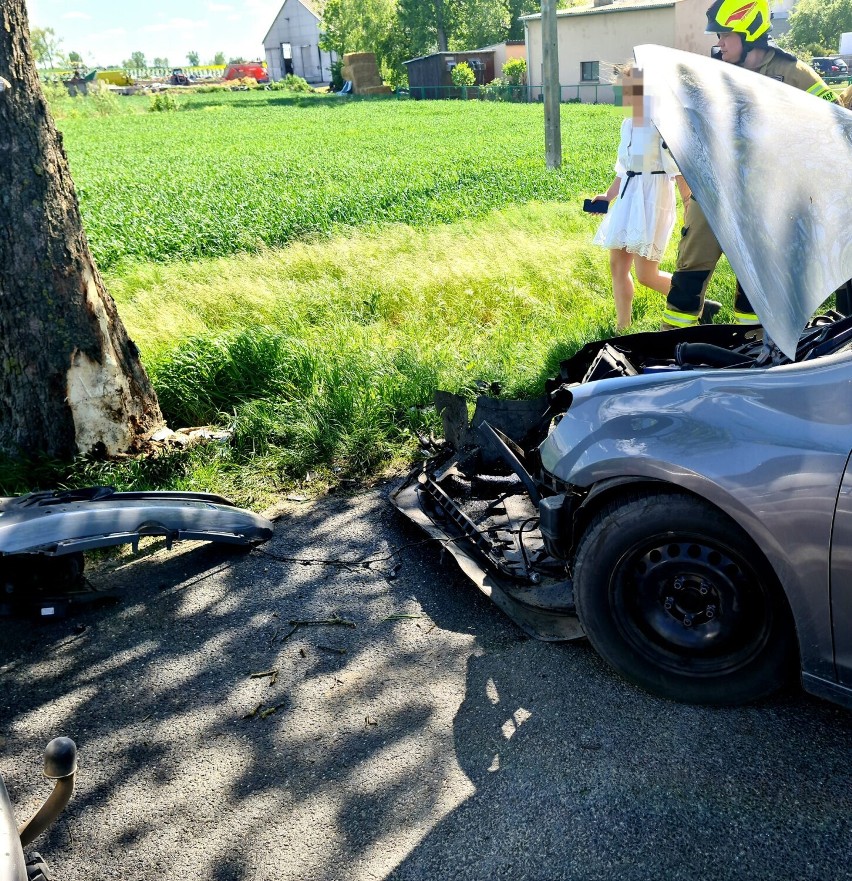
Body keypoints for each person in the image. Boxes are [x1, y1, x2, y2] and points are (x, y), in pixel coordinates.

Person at [661, 0, 840, 330]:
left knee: (757, 274)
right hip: (715, 187)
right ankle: (671, 340)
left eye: (725, 35)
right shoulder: (715, 71)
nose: (718, 43)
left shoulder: (793, 73)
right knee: (690, 266)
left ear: (750, 33)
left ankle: (754, 344)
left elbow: (837, 124)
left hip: (766, 195)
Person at [590, 64, 688, 330]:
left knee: (647, 275)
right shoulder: (627, 124)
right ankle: (623, 328)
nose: (620, 94)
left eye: (624, 88)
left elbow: (677, 168)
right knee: (617, 266)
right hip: (628, 196)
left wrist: (689, 204)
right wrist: (608, 196)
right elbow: (624, 168)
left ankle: (694, 303)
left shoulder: (659, 124)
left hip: (654, 197)